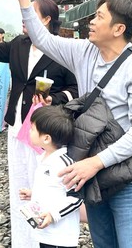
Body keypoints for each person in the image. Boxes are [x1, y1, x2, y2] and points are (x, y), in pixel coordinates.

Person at [4, 0, 132, 247]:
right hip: (91, 177)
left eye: (99, 17)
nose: (91, 22)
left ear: (118, 29)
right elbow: (43, 40)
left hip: (129, 180)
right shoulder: (84, 52)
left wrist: (94, 163)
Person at [0, 0, 78, 247]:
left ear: (46, 20)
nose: (23, 17)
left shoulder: (62, 49)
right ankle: (23, 241)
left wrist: (55, 98)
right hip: (19, 125)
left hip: (46, 132)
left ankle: (48, 236)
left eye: (30, 13)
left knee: (44, 184)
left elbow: (75, 88)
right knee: (20, 182)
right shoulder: (18, 45)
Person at [19, 105, 83, 248]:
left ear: (46, 138)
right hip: (46, 232)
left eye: (32, 129)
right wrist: (33, 194)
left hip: (61, 235)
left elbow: (77, 197)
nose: (29, 132)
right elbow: (54, 188)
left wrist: (54, 215)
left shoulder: (64, 164)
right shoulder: (44, 158)